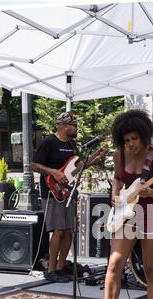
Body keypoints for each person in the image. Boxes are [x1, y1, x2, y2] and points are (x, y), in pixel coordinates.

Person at [86, 109, 153, 299]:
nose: (131, 144)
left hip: (152, 213)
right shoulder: (119, 154)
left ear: (144, 136)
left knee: (151, 270)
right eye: (126, 140)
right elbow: (117, 178)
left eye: (134, 139)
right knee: (114, 263)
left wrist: (151, 191)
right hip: (125, 214)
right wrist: (115, 195)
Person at [31, 111, 100, 283]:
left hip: (69, 191)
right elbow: (34, 164)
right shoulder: (49, 142)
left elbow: (75, 169)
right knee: (58, 231)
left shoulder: (72, 144)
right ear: (64, 126)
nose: (76, 128)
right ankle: (51, 269)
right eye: (74, 125)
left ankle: (61, 268)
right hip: (52, 191)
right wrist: (53, 171)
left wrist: (92, 160)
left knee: (69, 231)